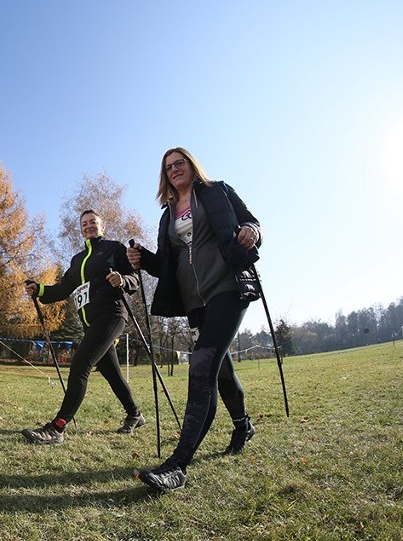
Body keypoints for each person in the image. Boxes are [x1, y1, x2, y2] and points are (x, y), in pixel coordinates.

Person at [127, 147, 262, 492]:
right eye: (168, 167)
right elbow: (167, 267)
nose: (174, 169)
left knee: (201, 367)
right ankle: (243, 424)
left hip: (228, 285)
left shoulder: (217, 191)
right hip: (196, 303)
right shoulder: (167, 214)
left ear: (191, 165)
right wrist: (143, 258)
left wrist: (251, 231)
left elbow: (252, 223)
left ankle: (178, 465)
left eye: (179, 163)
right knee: (221, 369)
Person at [21, 209, 145, 445]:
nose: (89, 226)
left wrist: (123, 279)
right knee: (112, 373)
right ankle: (135, 415)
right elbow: (63, 288)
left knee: (80, 364)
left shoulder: (113, 248)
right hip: (91, 324)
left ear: (102, 226)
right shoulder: (77, 260)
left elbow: (134, 280)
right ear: (81, 229)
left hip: (112, 316)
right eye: (85, 224)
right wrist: (40, 289)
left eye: (93, 223)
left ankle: (57, 428)